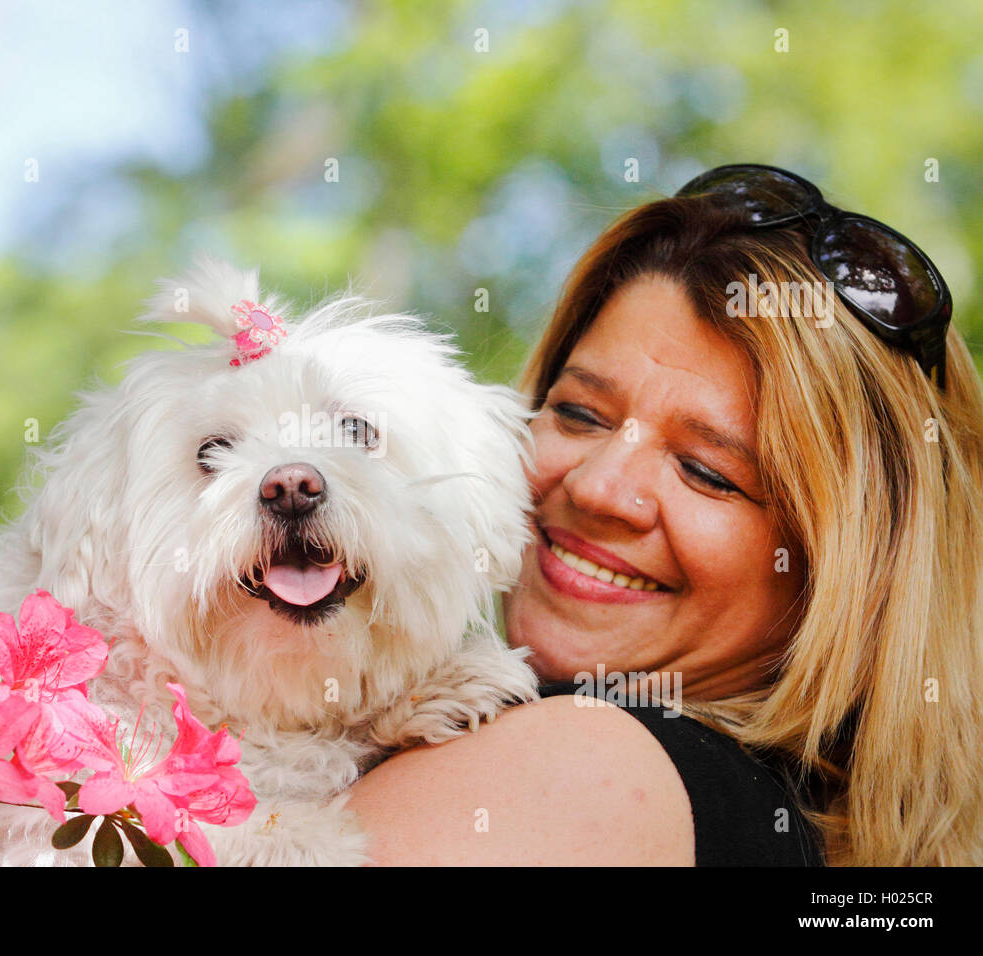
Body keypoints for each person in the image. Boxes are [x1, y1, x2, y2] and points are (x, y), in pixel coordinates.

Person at [346, 164, 983, 866]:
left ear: (855, 572)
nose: (597, 488)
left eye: (707, 472)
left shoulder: (578, 770)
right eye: (579, 414)